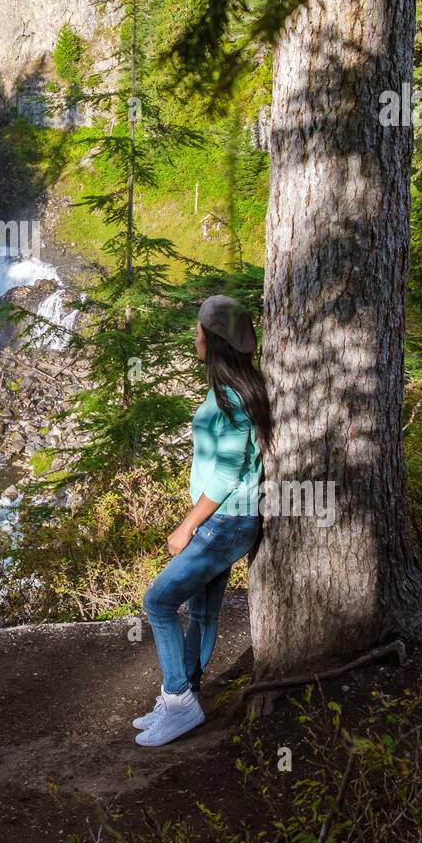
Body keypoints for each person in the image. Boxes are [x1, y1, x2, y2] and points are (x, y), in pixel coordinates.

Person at [134, 295, 272, 747]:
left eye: (198, 330)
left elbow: (229, 470)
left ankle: (179, 701)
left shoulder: (231, 396)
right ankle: (187, 691)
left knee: (157, 601)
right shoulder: (236, 387)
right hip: (231, 522)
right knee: (202, 608)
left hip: (225, 524)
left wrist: (187, 524)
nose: (193, 335)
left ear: (213, 341)